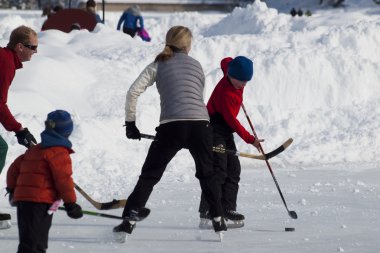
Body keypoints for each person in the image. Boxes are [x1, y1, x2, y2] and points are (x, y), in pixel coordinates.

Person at [113, 26, 227, 238]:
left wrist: (130, 123)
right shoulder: (196, 65)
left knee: (150, 175)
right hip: (201, 125)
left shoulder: (158, 64)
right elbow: (198, 99)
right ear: (187, 46)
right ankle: (218, 219)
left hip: (172, 127)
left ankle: (129, 220)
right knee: (207, 174)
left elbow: (133, 92)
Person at [198, 56, 263, 228]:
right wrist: (251, 140)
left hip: (225, 131)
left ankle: (227, 209)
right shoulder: (226, 95)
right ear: (231, 76)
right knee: (219, 170)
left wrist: (232, 64)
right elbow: (233, 122)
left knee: (233, 169)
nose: (243, 85)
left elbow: (225, 61)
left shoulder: (231, 72)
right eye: (240, 82)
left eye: (246, 82)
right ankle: (207, 211)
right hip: (214, 128)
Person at [6, 110, 83, 253]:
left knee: (28, 242)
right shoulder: (59, 152)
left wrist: (12, 191)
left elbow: (13, 169)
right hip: (39, 204)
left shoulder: (35, 150)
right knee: (35, 245)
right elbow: (63, 180)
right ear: (67, 132)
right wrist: (71, 203)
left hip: (24, 203)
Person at [0, 25, 38, 229]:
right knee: (0, 149)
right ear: (20, 47)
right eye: (33, 47)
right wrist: (18, 130)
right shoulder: (5, 62)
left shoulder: (6, 59)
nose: (36, 52)